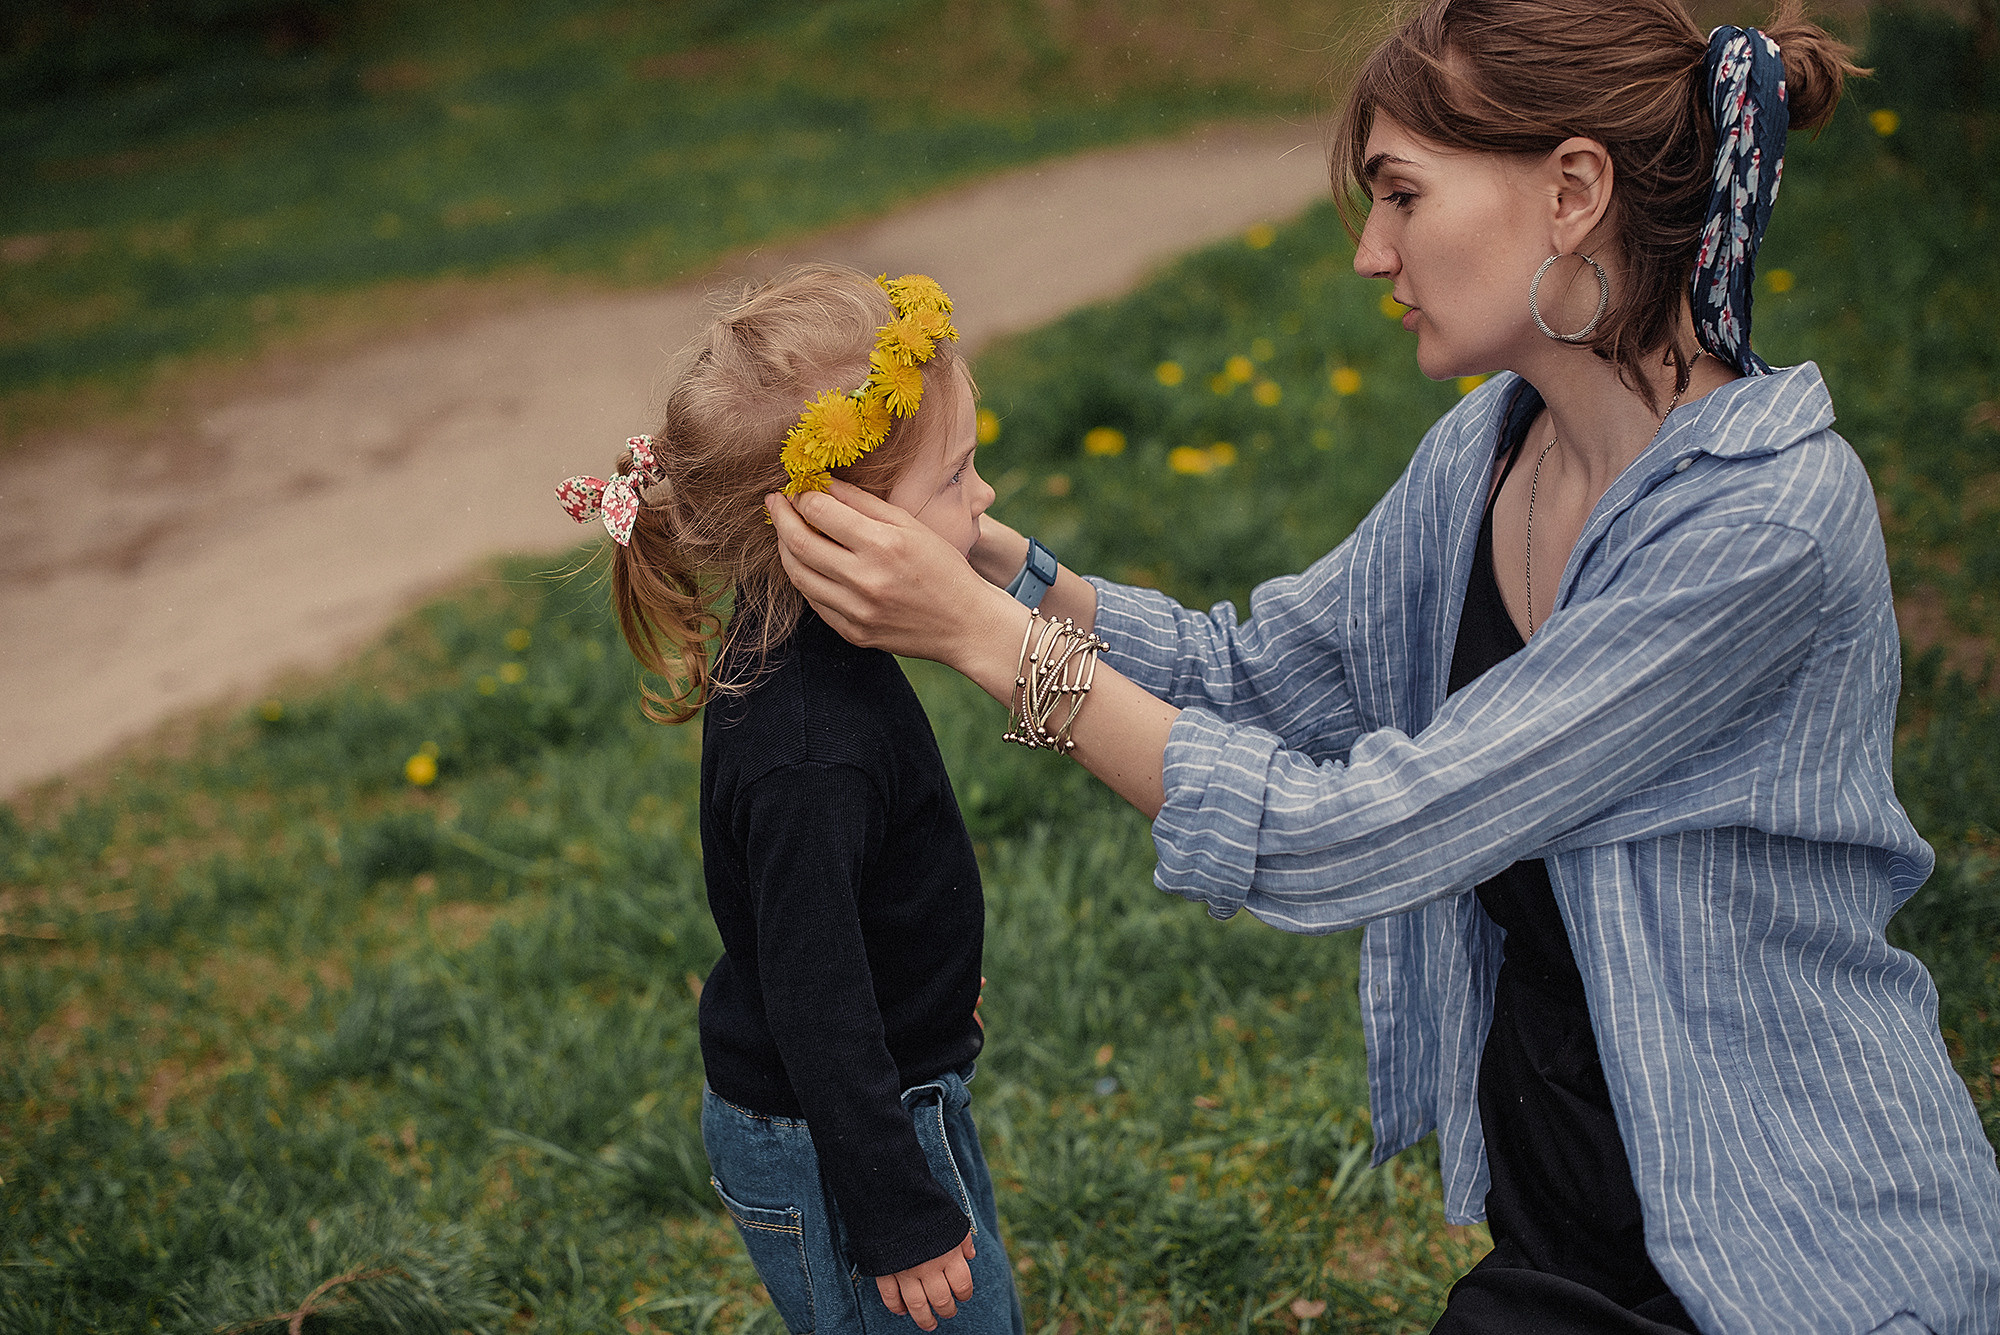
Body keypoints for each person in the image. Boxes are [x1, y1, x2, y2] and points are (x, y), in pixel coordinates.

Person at [763, 2, 2000, 1332]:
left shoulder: (1761, 528)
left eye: (1402, 193)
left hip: (1793, 1256)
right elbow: (1245, 678)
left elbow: (1347, 832)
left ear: (1574, 190)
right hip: (1577, 1227)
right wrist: (995, 564)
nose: (1369, 250)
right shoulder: (1488, 456)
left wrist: (980, 639)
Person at [556, 264, 1023, 1335]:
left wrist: (931, 996)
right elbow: (813, 1001)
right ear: (838, 530)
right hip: (838, 1141)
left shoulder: (819, 665)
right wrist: (898, 1219)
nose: (983, 496)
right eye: (956, 478)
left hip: (883, 1100)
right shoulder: (808, 747)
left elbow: (851, 921)